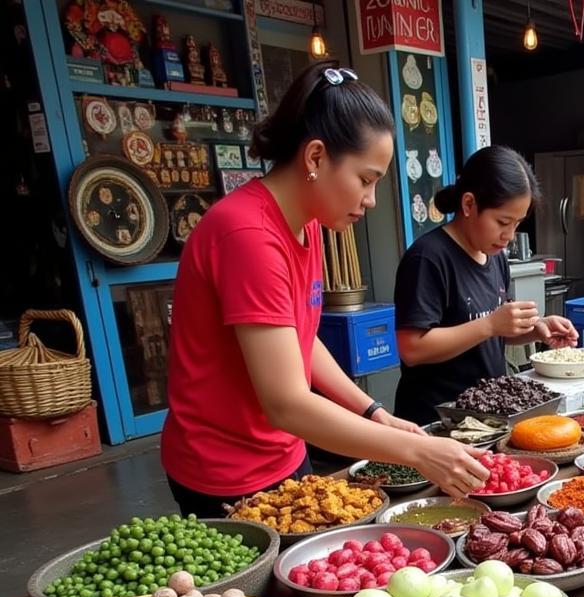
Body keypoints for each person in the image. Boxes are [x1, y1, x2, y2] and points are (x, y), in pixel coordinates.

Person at [161, 62, 489, 517]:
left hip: (285, 453)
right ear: (315, 158)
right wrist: (416, 451)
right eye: (366, 179)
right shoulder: (248, 235)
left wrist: (374, 412)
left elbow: (300, 336)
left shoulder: (308, 226)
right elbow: (286, 403)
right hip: (224, 471)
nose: (371, 200)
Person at [393, 145, 578, 425]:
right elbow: (413, 349)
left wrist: (534, 329)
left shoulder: (495, 257)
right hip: (435, 422)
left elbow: (490, 331)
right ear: (469, 205)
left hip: (486, 415)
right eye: (503, 221)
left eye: (517, 223)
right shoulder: (428, 258)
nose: (509, 235)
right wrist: (491, 324)